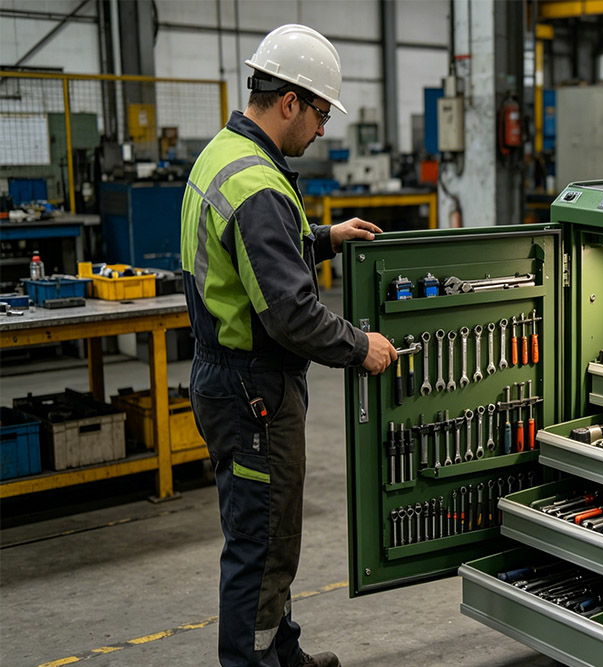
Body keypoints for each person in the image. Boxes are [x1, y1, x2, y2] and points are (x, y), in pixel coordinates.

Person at [180, 24, 396, 667]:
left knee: (272, 530)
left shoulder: (225, 155)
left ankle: (283, 653)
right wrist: (361, 347)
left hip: (228, 375)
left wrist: (326, 238)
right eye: (321, 112)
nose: (323, 129)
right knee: (261, 540)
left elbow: (252, 258)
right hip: (255, 390)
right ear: (290, 101)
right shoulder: (260, 186)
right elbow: (291, 314)